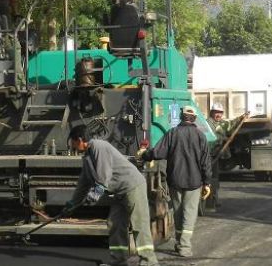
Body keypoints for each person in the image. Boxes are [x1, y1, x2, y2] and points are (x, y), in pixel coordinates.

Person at [67, 126, 159, 266]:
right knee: (115, 223)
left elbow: (104, 176)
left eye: (72, 142)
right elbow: (83, 183)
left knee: (139, 224)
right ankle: (118, 260)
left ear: (79, 139)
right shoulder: (87, 156)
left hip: (132, 186)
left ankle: (149, 262)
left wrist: (94, 195)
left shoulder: (99, 146)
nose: (72, 146)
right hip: (119, 191)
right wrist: (72, 203)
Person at [137, 106, 211, 258]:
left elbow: (158, 152)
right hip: (194, 181)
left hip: (175, 180)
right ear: (194, 119)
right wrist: (207, 182)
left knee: (177, 211)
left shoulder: (172, 133)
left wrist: (144, 155)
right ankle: (184, 246)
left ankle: (179, 243)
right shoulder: (200, 136)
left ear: (181, 117)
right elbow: (206, 162)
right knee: (189, 213)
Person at [204, 102, 241, 210]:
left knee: (215, 178)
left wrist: (240, 118)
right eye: (216, 112)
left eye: (220, 113)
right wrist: (223, 139)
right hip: (208, 156)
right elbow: (211, 138)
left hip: (215, 155)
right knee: (209, 178)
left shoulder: (220, 123)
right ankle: (209, 201)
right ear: (212, 113)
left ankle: (214, 199)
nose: (219, 115)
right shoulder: (208, 124)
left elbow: (230, 124)